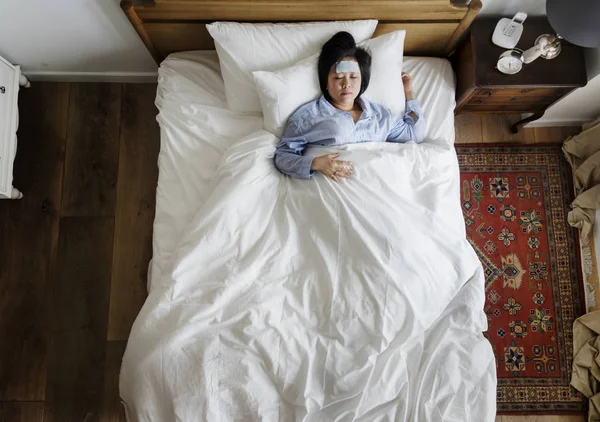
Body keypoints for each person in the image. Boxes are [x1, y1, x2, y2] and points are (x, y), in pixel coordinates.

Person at [273, 31, 425, 182]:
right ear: (326, 82)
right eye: (338, 77)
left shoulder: (381, 115)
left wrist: (409, 93)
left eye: (353, 77)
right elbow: (283, 156)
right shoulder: (308, 117)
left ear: (362, 80)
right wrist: (315, 163)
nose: (346, 84)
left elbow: (414, 135)